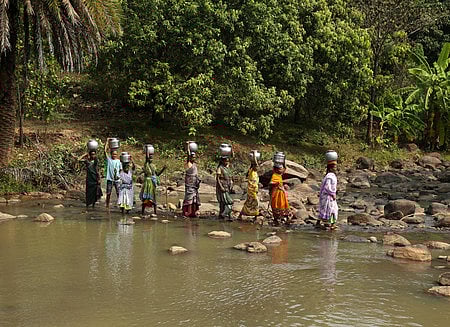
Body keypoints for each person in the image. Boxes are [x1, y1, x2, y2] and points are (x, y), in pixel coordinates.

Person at [318, 160, 338, 230]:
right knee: (332, 210)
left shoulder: (331, 175)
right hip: (328, 196)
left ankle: (319, 222)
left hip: (328, 196)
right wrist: (332, 194)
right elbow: (327, 187)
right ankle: (332, 224)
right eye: (334, 167)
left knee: (329, 209)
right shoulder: (329, 176)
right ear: (330, 168)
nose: (336, 168)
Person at [182, 149, 201, 218]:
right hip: (190, 184)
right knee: (189, 197)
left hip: (195, 183)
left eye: (195, 157)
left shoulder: (195, 165)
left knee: (195, 198)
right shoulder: (189, 164)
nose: (194, 158)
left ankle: (194, 211)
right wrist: (188, 147)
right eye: (193, 157)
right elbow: (188, 155)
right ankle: (188, 211)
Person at [104, 138, 122, 209]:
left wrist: (119, 176)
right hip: (110, 179)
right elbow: (105, 151)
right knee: (108, 193)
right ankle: (107, 205)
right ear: (111, 154)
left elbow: (120, 170)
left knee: (118, 193)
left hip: (117, 180)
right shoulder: (109, 160)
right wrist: (107, 141)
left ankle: (120, 204)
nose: (114, 155)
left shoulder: (118, 161)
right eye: (113, 154)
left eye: (115, 154)